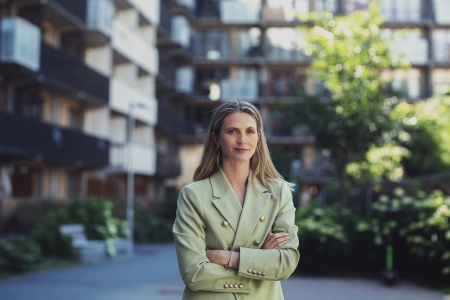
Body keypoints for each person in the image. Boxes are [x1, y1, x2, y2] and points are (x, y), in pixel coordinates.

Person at [173, 100, 300, 300]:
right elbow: (194, 273)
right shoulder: (194, 195)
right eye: (232, 131)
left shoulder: (279, 192)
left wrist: (231, 258)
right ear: (216, 139)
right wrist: (259, 261)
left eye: (250, 131)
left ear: (259, 137)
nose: (242, 140)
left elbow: (286, 263)